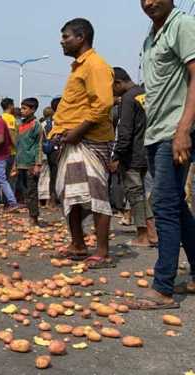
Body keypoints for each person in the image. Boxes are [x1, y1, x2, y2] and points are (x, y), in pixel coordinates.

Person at [125, 0, 195, 310]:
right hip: (156, 133)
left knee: (164, 206)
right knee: (176, 206)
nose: (149, 2)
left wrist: (183, 130)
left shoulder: (182, 25)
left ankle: (163, 286)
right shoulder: (151, 36)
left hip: (174, 131)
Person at [48, 18, 115, 268]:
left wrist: (78, 130)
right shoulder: (78, 68)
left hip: (90, 140)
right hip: (73, 140)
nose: (62, 41)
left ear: (81, 37)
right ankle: (77, 244)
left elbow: (103, 105)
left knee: (96, 194)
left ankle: (102, 250)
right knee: (72, 194)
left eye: (65, 36)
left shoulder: (95, 65)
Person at [110, 66, 158, 247]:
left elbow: (125, 131)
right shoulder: (144, 94)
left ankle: (143, 236)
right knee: (142, 195)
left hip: (132, 155)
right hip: (147, 151)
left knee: (135, 195)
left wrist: (116, 156)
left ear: (118, 83)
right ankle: (152, 233)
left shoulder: (128, 99)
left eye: (111, 88)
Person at [13, 97, 44, 226]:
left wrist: (38, 164)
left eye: (25, 108)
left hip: (31, 164)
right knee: (25, 191)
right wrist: (15, 164)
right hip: (21, 163)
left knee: (32, 191)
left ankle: (34, 217)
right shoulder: (21, 124)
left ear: (33, 110)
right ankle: (30, 215)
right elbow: (19, 145)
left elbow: (39, 145)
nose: (22, 110)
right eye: (22, 108)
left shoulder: (36, 125)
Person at [1, 97, 19, 195]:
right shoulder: (10, 118)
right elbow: (12, 135)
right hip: (10, 152)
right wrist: (18, 148)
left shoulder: (1, 117)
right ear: (10, 106)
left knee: (4, 179)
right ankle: (11, 202)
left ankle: (5, 200)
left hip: (2, 153)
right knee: (11, 178)